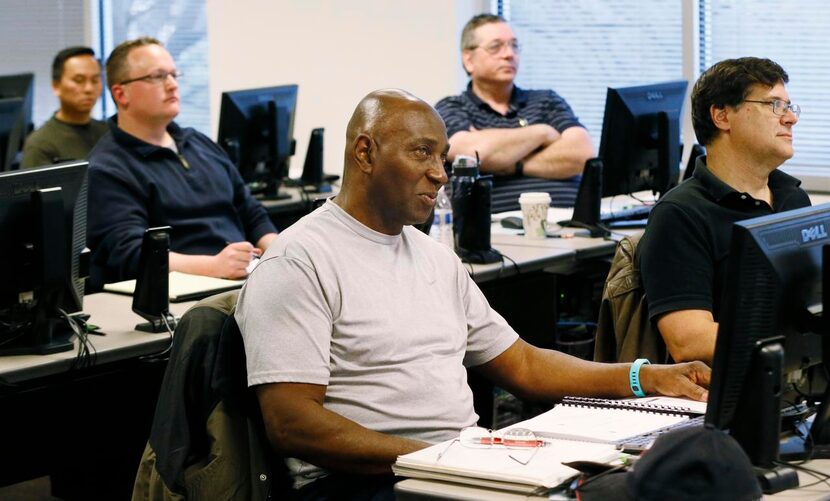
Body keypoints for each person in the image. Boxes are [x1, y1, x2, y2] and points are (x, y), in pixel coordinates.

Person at [235, 89, 709, 500]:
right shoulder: (300, 261)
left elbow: (521, 364)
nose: (440, 174)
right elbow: (292, 424)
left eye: (441, 156)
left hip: (453, 466)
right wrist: (442, 458)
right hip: (359, 482)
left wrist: (646, 378)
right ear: (365, 153)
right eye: (422, 153)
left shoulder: (433, 256)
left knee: (650, 480)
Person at [638, 57, 811, 365]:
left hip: (800, 382)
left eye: (789, 107)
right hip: (727, 395)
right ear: (722, 116)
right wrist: (802, 336)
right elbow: (689, 340)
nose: (790, 119)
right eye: (774, 105)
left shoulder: (793, 199)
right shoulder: (680, 214)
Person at [87, 37, 277, 289]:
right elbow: (130, 254)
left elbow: (251, 212)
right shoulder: (108, 168)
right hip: (185, 292)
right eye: (157, 77)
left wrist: (282, 254)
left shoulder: (198, 143)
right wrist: (213, 267)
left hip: (243, 280)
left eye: (174, 75)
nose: (172, 85)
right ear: (121, 94)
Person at [435, 14, 594, 207]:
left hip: (570, 222)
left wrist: (514, 164)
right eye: (496, 47)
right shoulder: (452, 106)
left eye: (514, 45)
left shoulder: (547, 101)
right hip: (492, 228)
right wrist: (542, 132)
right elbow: (473, 154)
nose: (509, 54)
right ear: (468, 59)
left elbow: (582, 155)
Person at [21, 46, 109, 168]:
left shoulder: (108, 133)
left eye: (95, 80)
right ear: (56, 86)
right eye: (79, 80)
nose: (89, 89)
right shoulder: (41, 144)